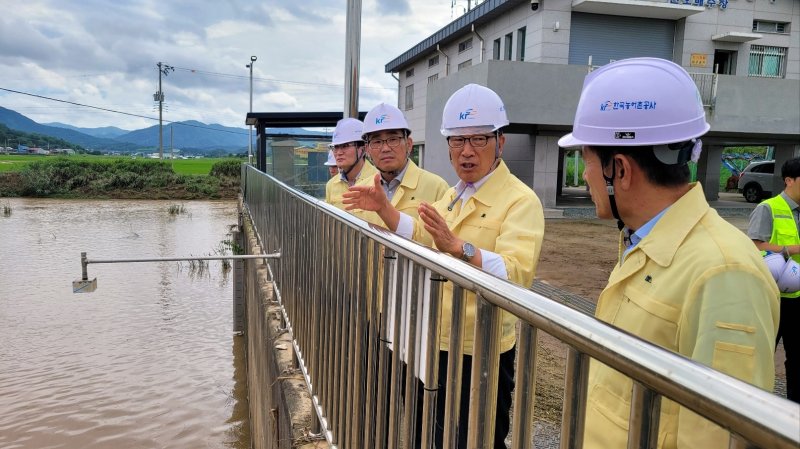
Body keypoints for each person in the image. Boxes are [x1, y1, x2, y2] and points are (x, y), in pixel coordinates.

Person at [558, 57, 780, 448]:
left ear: (620, 169)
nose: (586, 175)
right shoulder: (643, 241)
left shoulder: (725, 274)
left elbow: (719, 437)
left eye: (586, 161)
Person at [344, 83, 545, 448]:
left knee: (478, 437)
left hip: (480, 346)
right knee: (433, 432)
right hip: (437, 337)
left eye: (479, 140)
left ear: (501, 142)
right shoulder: (453, 195)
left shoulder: (520, 201)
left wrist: (461, 248)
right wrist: (386, 210)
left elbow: (518, 273)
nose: (467, 152)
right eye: (457, 141)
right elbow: (421, 234)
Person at [747, 157, 800, 403]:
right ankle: (754, 408)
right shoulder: (768, 208)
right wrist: (790, 249)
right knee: (761, 354)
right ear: (789, 180)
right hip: (773, 297)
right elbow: (754, 245)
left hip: (798, 299)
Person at [361, 102, 449, 222]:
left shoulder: (437, 187)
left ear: (409, 144)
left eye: (393, 139)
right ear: (367, 150)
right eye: (377, 142)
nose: (385, 148)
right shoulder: (360, 190)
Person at [324, 117, 377, 210]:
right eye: (336, 147)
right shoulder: (331, 185)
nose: (339, 152)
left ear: (363, 149)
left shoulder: (378, 180)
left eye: (345, 146)